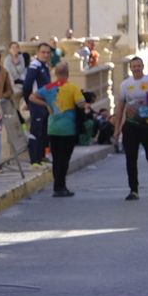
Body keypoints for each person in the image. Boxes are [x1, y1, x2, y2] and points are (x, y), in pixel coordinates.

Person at [113, 56, 148, 200]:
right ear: (130, 68)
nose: (136, 68)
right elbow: (120, 108)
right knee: (130, 159)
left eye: (139, 66)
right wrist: (117, 130)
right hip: (131, 126)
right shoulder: (125, 85)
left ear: (142, 67)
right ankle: (133, 190)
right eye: (134, 66)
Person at [31, 61, 84, 197]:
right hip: (68, 129)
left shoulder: (48, 87)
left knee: (56, 158)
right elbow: (81, 103)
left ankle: (57, 186)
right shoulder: (72, 88)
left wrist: (46, 104)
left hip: (53, 128)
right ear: (67, 74)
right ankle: (61, 186)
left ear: (55, 73)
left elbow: (32, 97)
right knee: (64, 159)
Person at [20, 41, 53, 165]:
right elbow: (27, 85)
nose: (46, 55)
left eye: (48, 53)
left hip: (44, 104)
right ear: (37, 53)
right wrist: (28, 100)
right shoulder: (35, 66)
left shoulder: (45, 66)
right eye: (43, 52)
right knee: (36, 131)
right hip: (36, 104)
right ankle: (34, 160)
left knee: (44, 132)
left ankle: (41, 157)